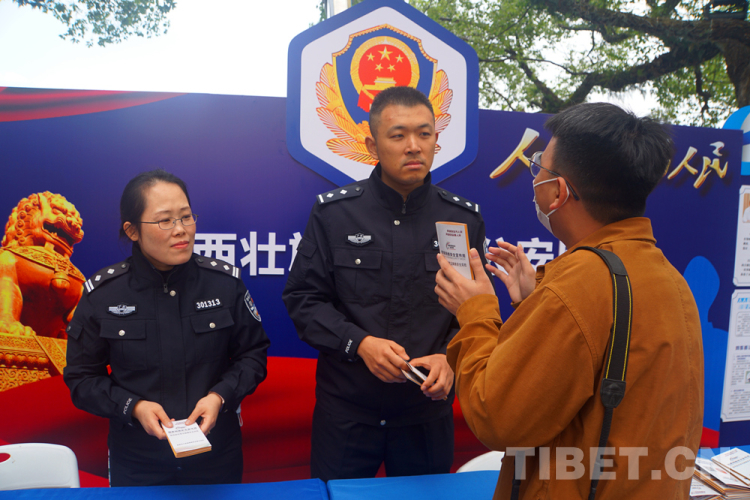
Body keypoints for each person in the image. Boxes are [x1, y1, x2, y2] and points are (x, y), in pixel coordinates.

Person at [434, 103, 704, 499]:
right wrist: (535, 304)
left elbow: (497, 418)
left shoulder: (580, 284)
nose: (535, 179)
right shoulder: (668, 277)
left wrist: (475, 312)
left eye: (539, 168)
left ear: (558, 192)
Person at [282, 86, 489, 481]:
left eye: (424, 134)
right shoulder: (335, 213)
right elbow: (303, 300)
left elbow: (472, 311)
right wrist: (360, 344)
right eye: (398, 135)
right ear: (372, 145)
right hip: (347, 413)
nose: (414, 146)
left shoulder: (461, 220)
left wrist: (450, 357)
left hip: (425, 415)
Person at [64, 169, 270, 486]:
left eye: (186, 217)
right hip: (137, 460)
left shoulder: (224, 284)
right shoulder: (104, 294)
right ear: (132, 230)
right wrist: (133, 407)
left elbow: (253, 355)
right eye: (165, 220)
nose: (181, 230)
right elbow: (82, 378)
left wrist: (220, 396)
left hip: (215, 457)